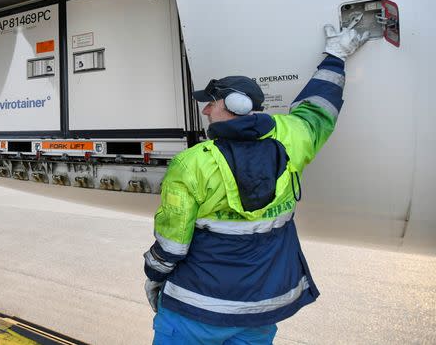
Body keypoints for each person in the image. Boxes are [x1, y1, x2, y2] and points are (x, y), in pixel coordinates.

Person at [144, 18, 370, 344]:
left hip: (194, 308)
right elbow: (319, 109)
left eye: (212, 101)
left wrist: (153, 277)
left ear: (235, 103)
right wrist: (336, 55)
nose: (206, 110)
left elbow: (172, 245)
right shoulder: (292, 139)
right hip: (259, 311)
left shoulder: (191, 163)